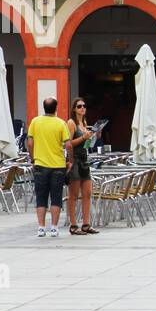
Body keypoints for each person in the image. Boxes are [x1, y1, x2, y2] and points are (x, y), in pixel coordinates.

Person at [27, 97, 72, 238]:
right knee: (56, 197)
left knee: (41, 197)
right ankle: (53, 227)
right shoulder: (61, 123)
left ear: (43, 108)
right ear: (56, 108)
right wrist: (70, 160)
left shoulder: (35, 122)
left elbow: (30, 143)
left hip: (40, 164)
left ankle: (41, 227)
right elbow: (69, 145)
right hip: (58, 165)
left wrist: (33, 158)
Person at [66, 98, 100, 235]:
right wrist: (83, 138)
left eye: (84, 106)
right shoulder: (71, 123)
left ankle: (86, 223)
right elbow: (68, 143)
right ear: (74, 108)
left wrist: (93, 138)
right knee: (73, 195)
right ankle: (73, 225)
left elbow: (86, 145)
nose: (82, 108)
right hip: (75, 160)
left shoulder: (84, 122)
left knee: (87, 193)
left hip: (84, 160)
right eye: (79, 106)